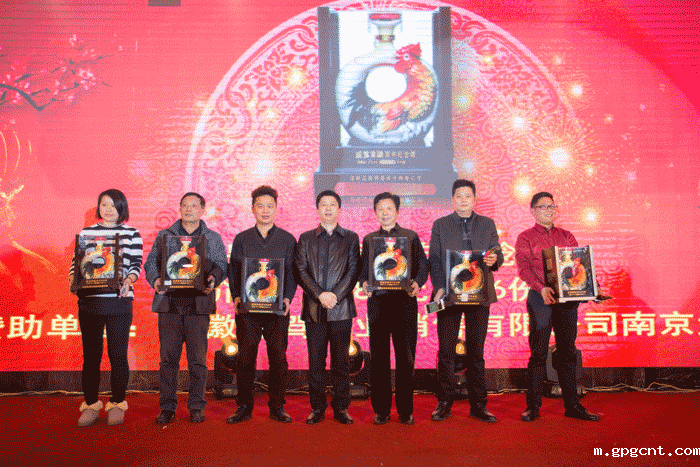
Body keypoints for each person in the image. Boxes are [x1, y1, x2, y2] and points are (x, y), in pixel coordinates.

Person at [515, 192, 599, 422]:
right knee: (539, 353)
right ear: (533, 211)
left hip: (567, 300)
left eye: (552, 206)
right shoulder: (525, 237)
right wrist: (541, 288)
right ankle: (533, 406)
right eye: (544, 207)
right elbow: (523, 268)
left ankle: (572, 405)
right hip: (540, 298)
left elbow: (579, 264)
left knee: (568, 352)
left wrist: (593, 288)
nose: (549, 211)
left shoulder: (567, 236)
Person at [144, 192, 228, 424]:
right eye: (184, 205)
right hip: (170, 304)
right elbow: (151, 263)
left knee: (197, 360)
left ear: (202, 210)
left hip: (198, 305)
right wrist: (155, 280)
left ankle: (196, 405)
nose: (189, 209)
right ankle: (167, 407)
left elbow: (222, 265)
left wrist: (212, 279)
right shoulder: (165, 235)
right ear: (179, 208)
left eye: (194, 205)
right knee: (168, 360)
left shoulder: (212, 238)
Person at [429, 180, 504, 422]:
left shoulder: (487, 223)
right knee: (446, 352)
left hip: (479, 294)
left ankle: (478, 405)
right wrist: (439, 288)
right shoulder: (440, 224)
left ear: (474, 199)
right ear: (452, 199)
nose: (463, 200)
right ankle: (444, 402)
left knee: (476, 353)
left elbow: (497, 251)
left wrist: (495, 259)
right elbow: (434, 259)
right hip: (449, 294)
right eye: (459, 196)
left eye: (468, 196)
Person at [69, 189, 143, 427]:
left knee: (118, 355)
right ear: (98, 207)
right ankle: (91, 404)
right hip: (90, 302)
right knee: (91, 356)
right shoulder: (87, 233)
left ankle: (117, 402)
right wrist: (73, 280)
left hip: (119, 301)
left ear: (122, 208)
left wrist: (129, 279)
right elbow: (77, 263)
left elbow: (136, 263)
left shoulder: (131, 233)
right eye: (104, 204)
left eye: (113, 205)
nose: (108, 209)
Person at [227, 185, 297, 424]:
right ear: (252, 209)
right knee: (245, 358)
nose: (265, 210)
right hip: (248, 310)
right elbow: (234, 271)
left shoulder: (288, 239)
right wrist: (236, 296)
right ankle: (244, 406)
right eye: (260, 206)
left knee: (278, 358)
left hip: (277, 310)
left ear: (276, 209)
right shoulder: (242, 239)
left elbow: (292, 273)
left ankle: (277, 406)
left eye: (269, 206)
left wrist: (287, 298)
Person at [359, 192, 429, 425]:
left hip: (404, 304)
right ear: (375, 212)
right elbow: (363, 269)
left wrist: (417, 283)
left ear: (398, 212)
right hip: (378, 304)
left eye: (389, 208)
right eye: (380, 208)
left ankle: (405, 410)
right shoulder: (369, 240)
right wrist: (364, 283)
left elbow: (423, 265)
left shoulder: (410, 237)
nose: (385, 213)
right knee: (379, 359)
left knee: (406, 358)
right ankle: (381, 410)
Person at [294, 190, 360, 425]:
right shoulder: (306, 238)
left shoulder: (351, 238)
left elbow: (354, 271)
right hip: (315, 309)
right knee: (316, 362)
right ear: (317, 209)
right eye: (324, 204)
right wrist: (320, 294)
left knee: (341, 362)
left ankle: (341, 407)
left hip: (341, 310)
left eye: (333, 204)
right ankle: (317, 407)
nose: (328, 208)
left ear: (339, 209)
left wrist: (335, 296)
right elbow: (300, 270)